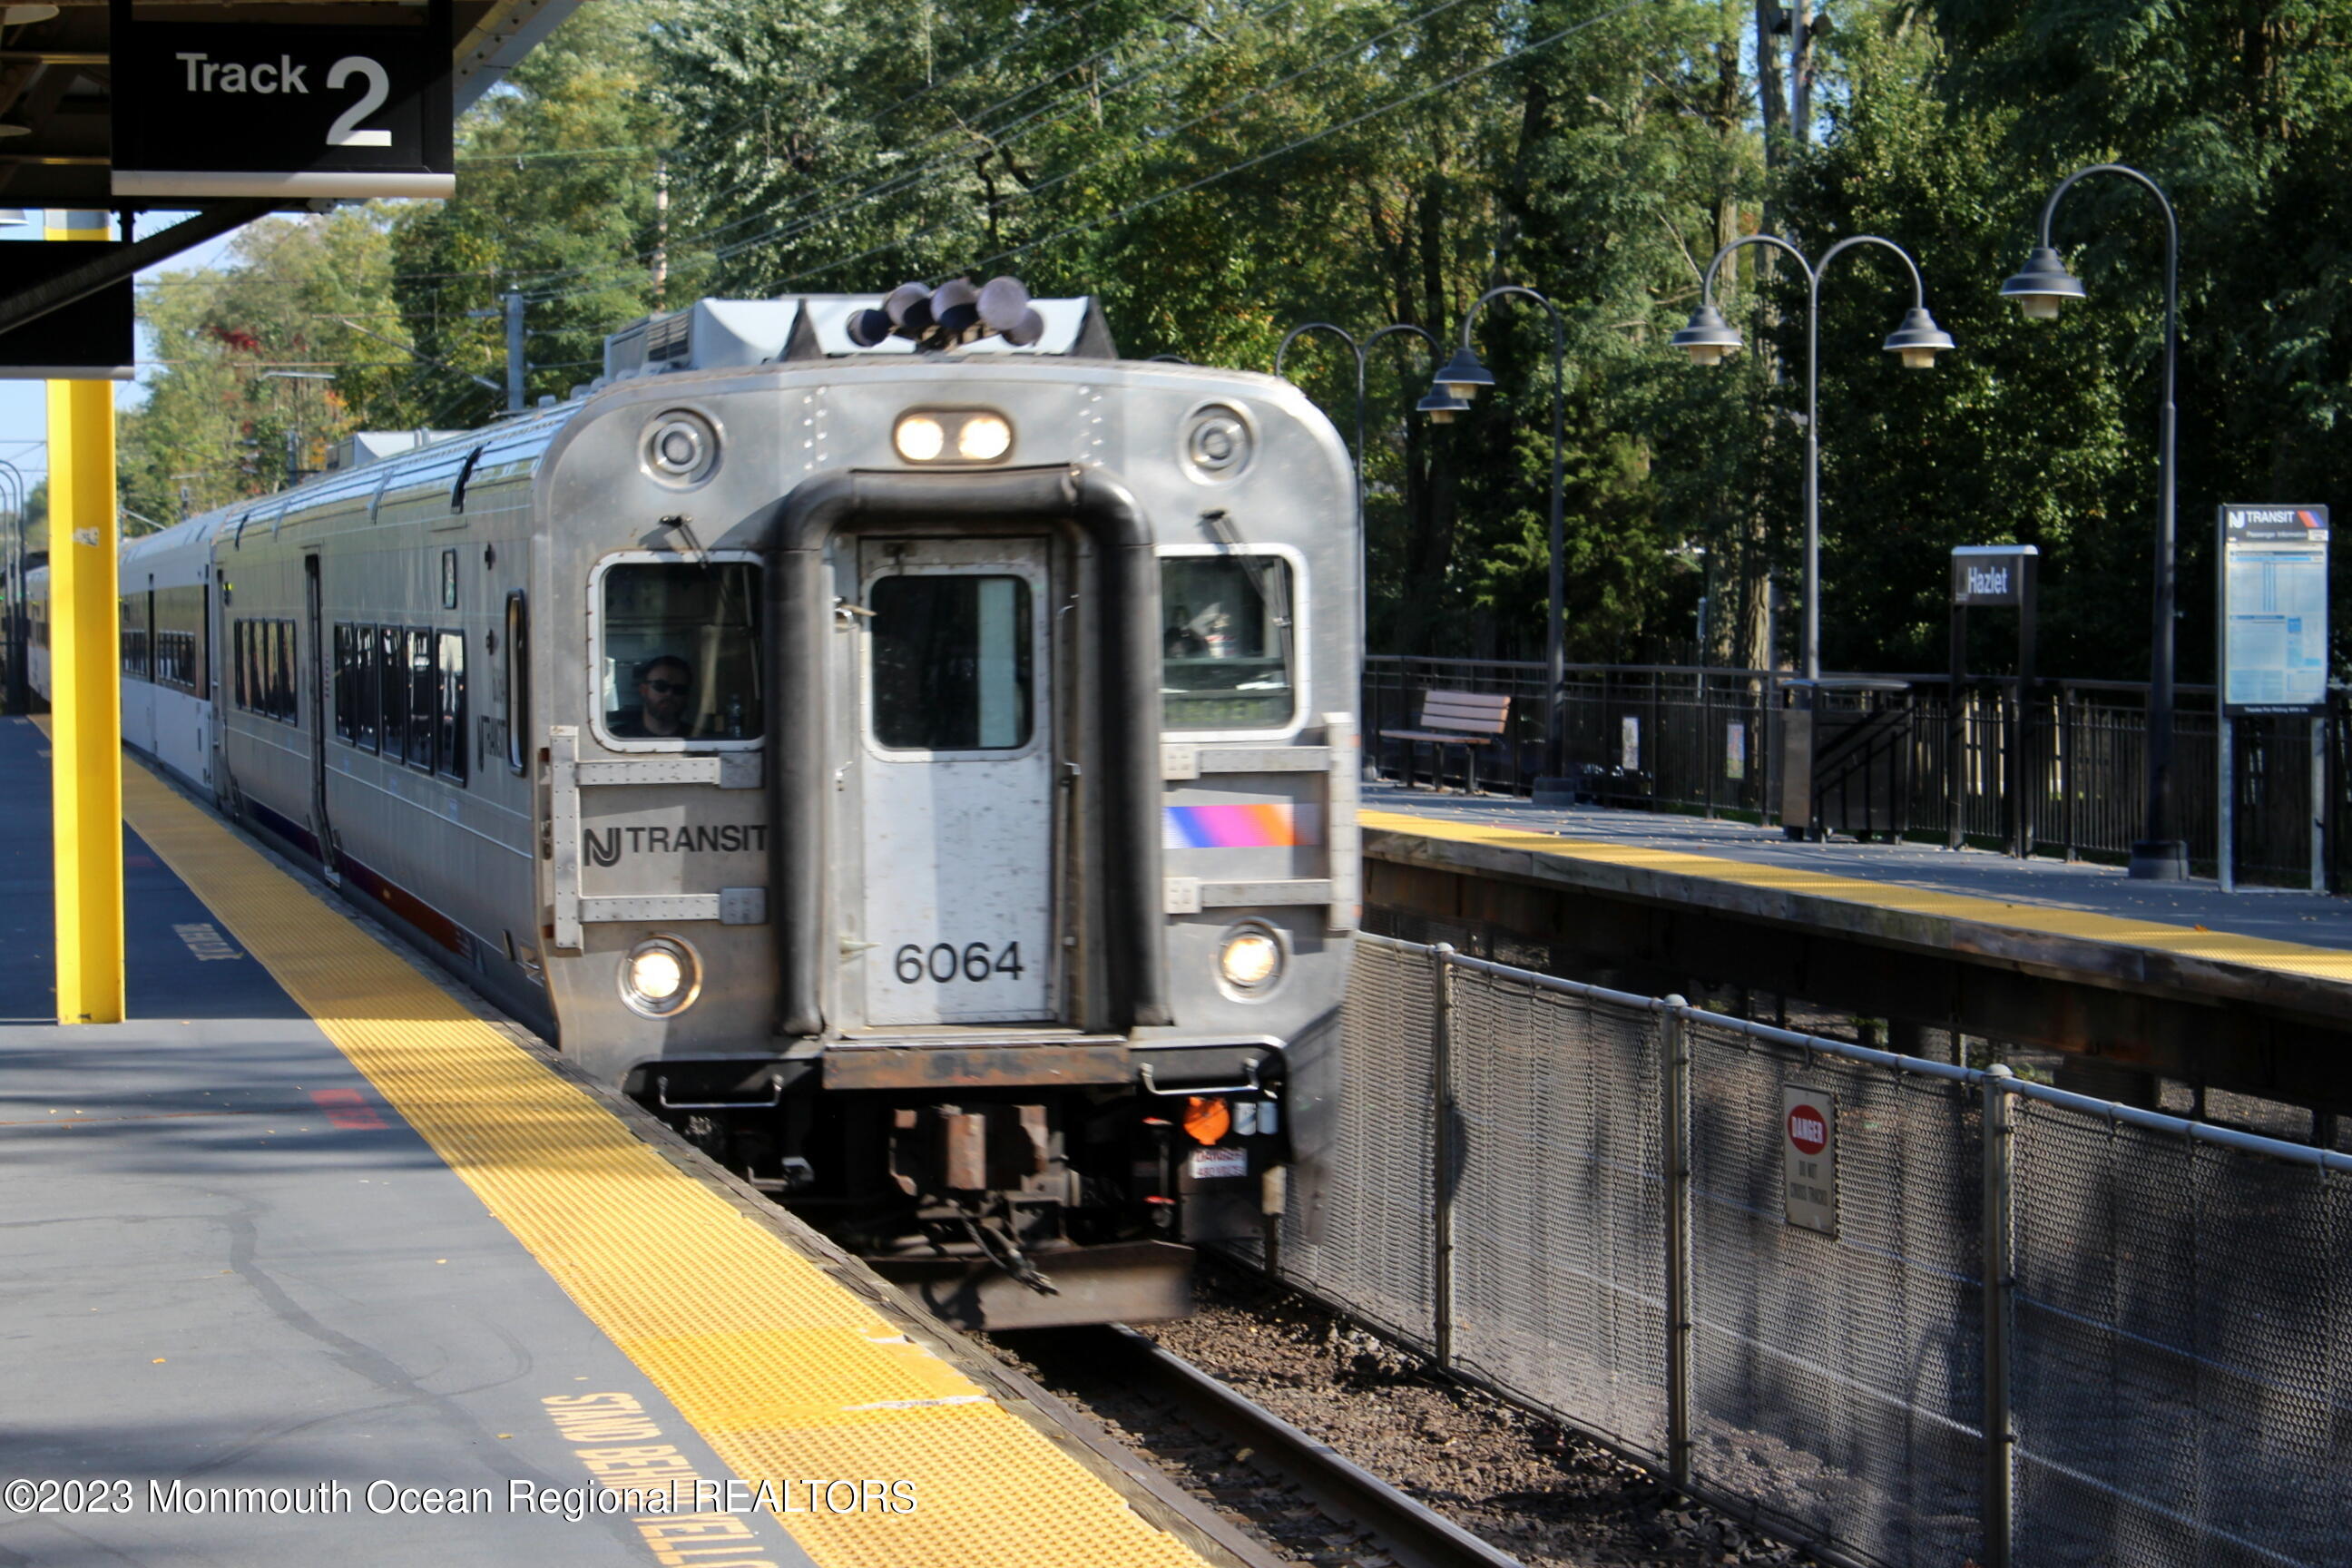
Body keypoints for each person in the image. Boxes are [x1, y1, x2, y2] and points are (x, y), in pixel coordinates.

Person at [611, 654, 694, 738]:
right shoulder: (617, 737)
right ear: (644, 690)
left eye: (679, 689)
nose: (669, 693)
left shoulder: (699, 738)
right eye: (661, 686)